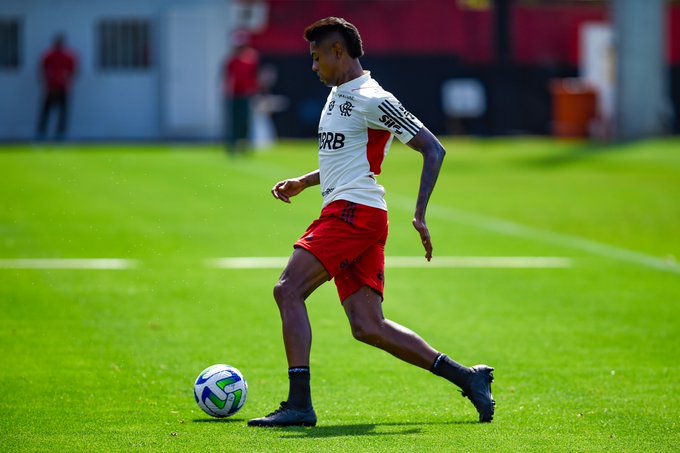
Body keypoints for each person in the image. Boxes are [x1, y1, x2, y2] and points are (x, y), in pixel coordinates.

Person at [247, 17, 495, 428]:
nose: (313, 66)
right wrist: (305, 182)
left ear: (338, 52)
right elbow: (347, 162)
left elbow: (433, 149)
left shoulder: (372, 97)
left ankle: (299, 404)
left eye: (316, 57)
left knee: (287, 290)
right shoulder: (339, 93)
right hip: (352, 212)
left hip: (353, 215)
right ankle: (468, 378)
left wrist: (419, 214)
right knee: (368, 326)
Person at [223, 31, 260, 154]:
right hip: (234, 95)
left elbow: (254, 76)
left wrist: (255, 90)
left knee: (246, 121)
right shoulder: (231, 61)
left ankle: (245, 144)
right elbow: (227, 77)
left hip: (247, 95)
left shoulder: (251, 59)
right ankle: (232, 144)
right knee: (234, 121)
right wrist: (226, 92)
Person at [36, 34, 78, 141]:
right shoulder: (48, 55)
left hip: (63, 88)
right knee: (45, 112)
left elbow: (73, 71)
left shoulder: (68, 56)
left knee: (63, 113)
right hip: (50, 89)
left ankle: (60, 134)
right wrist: (47, 83)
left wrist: (67, 81)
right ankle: (41, 133)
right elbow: (42, 70)